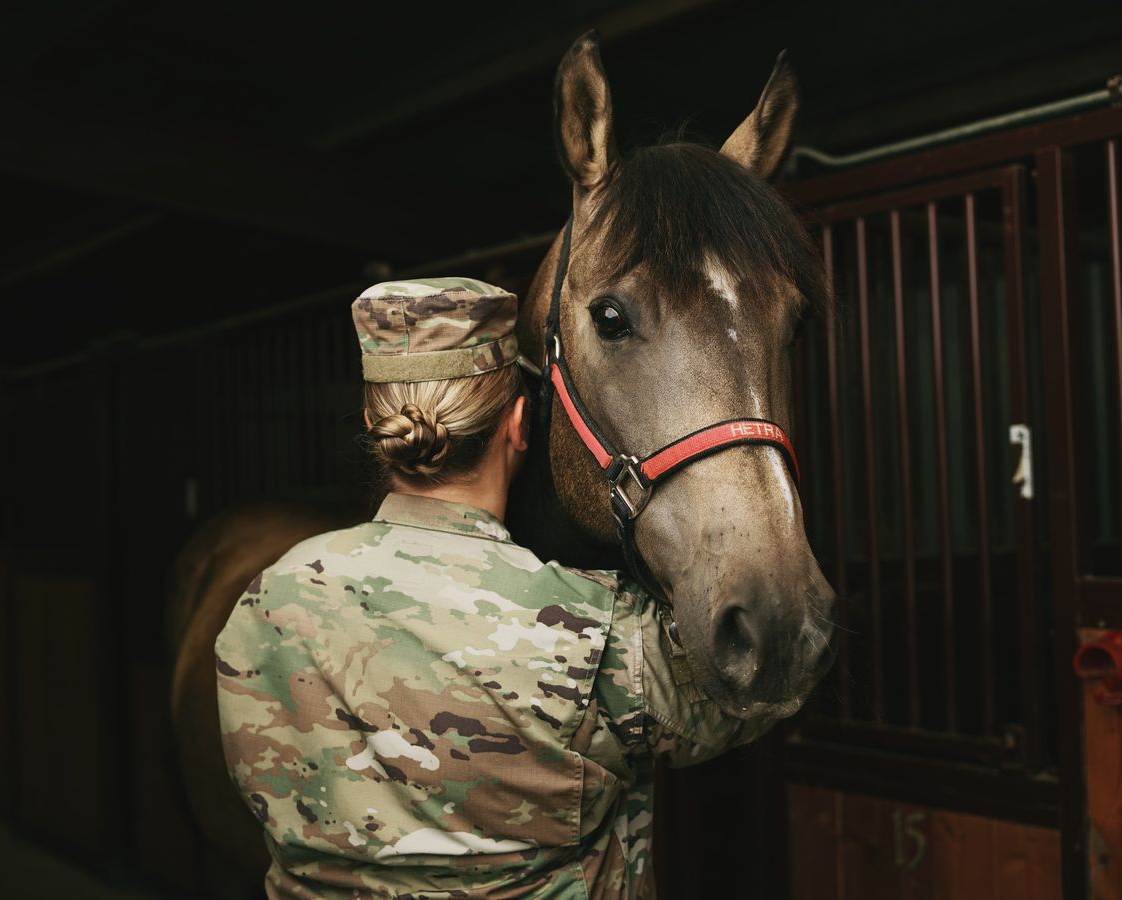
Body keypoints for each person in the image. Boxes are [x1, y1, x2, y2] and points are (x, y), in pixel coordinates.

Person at [215, 277, 765, 899]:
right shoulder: (595, 628)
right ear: (521, 422)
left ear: (374, 422)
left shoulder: (266, 600)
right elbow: (752, 685)